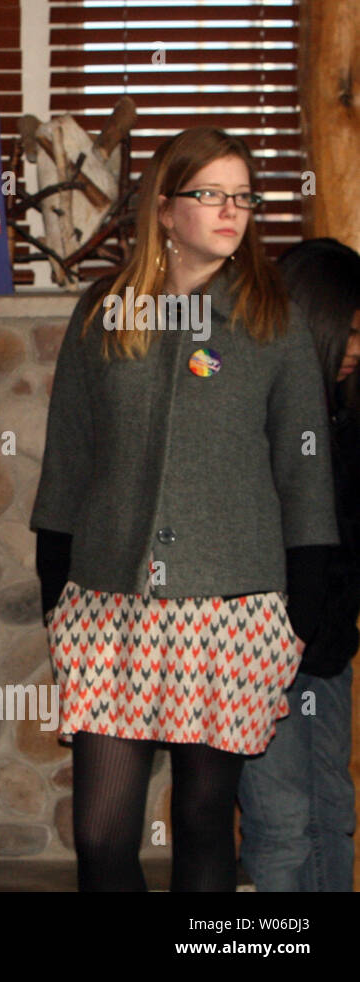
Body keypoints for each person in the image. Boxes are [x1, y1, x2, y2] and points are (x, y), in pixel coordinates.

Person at [31, 127, 337, 891]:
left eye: (243, 196)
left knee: (205, 819)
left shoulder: (275, 319)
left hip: (233, 608)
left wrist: (302, 605)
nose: (231, 210)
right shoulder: (104, 311)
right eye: (211, 195)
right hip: (109, 602)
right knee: (101, 833)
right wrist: (56, 586)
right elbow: (68, 454)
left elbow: (303, 471)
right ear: (165, 210)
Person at [238, 238, 360, 891]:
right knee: (282, 829)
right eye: (350, 332)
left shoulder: (345, 414)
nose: (357, 349)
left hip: (329, 657)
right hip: (259, 654)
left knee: (333, 817)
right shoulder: (245, 403)